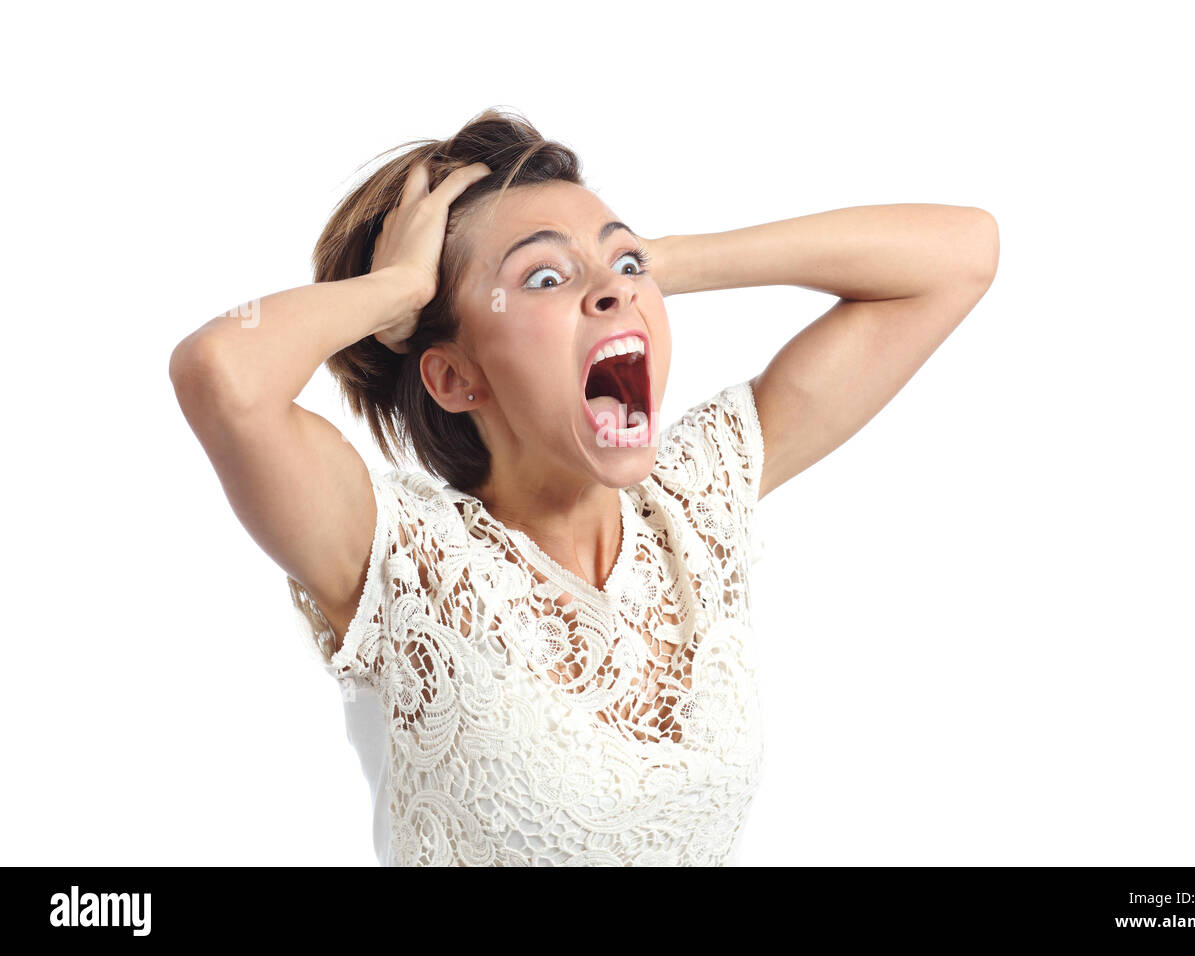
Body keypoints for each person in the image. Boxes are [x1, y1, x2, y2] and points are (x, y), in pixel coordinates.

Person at [169, 106, 999, 866]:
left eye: (624, 262)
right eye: (540, 279)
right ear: (455, 376)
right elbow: (221, 372)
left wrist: (648, 266)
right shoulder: (400, 561)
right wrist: (400, 291)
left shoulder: (696, 497)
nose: (612, 290)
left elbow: (961, 255)